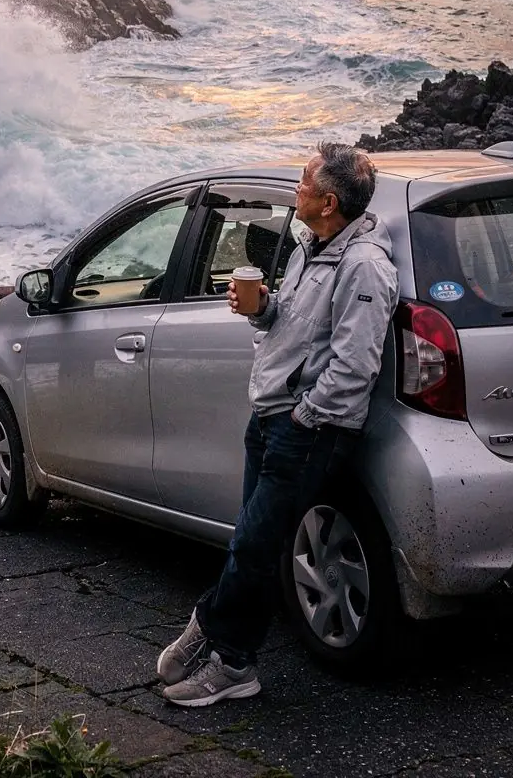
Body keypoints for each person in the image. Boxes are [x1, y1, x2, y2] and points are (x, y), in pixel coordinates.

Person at [157, 141, 399, 708]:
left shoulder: (364, 266)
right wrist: (262, 308)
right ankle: (213, 635)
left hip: (310, 429)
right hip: (271, 416)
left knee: (256, 547)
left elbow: (354, 365)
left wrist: (304, 414)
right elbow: (293, 326)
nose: (296, 191)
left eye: (303, 184)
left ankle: (228, 658)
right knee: (252, 540)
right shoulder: (309, 246)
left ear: (329, 201)